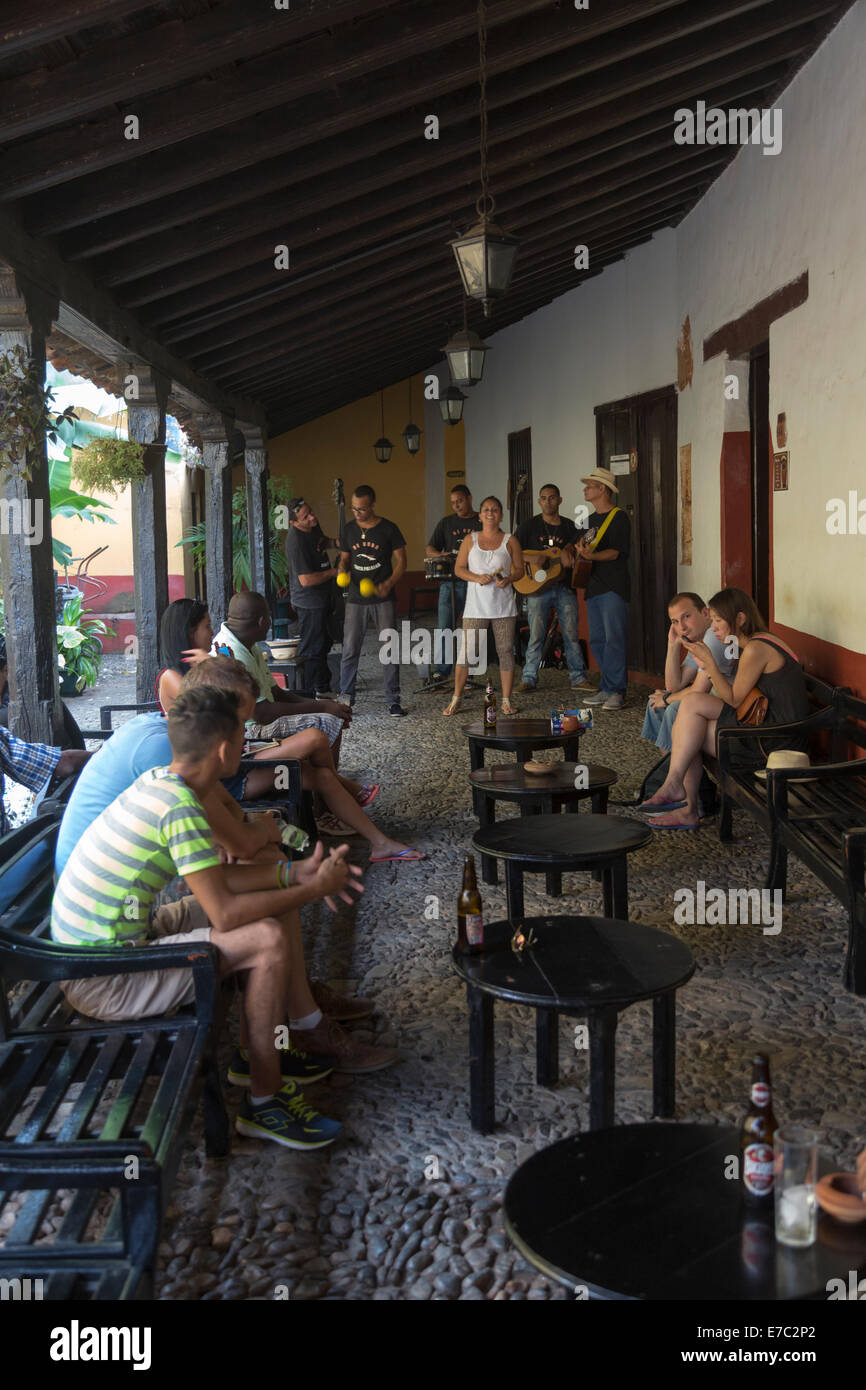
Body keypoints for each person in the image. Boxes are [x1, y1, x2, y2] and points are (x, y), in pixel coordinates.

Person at [50, 685, 385, 1149]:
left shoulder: (164, 782)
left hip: (104, 949)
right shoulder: (180, 807)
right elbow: (224, 911)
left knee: (270, 901)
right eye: (243, 739)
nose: (249, 747)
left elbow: (220, 887)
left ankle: (269, 1050)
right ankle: (265, 1104)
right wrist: (312, 887)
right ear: (226, 750)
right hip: (104, 976)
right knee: (264, 940)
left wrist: (292, 874)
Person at [639, 588, 809, 830]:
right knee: (690, 707)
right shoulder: (759, 640)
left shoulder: (755, 649)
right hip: (765, 726)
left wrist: (709, 663)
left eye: (718, 620)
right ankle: (676, 788)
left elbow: (734, 700)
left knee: (688, 729)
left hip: (771, 743)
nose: (714, 626)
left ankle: (683, 801)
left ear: (739, 619)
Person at [443, 496, 523, 716]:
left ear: (501, 515)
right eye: (486, 509)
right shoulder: (471, 540)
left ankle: (506, 700)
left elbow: (520, 570)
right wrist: (476, 577)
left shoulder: (510, 541)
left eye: (495, 509)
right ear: (479, 515)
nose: (490, 513)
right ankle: (456, 698)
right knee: (467, 653)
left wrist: (508, 579)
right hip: (475, 607)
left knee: (505, 651)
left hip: (503, 607)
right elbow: (459, 569)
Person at [515, 483, 592, 694]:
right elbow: (511, 551)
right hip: (536, 588)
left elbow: (584, 543)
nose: (548, 501)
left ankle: (578, 678)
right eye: (544, 498)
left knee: (571, 633)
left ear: (560, 500)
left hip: (564, 587)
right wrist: (534, 557)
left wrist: (570, 549)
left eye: (552, 497)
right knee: (536, 634)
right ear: (539, 502)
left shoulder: (570, 527)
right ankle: (528, 678)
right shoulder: (528, 527)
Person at [338, 485, 407, 716]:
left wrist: (389, 583)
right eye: (354, 509)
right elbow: (345, 559)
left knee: (389, 648)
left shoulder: (389, 529)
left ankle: (393, 700)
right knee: (349, 648)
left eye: (362, 509)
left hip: (383, 597)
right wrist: (341, 570)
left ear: (373, 505)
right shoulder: (348, 530)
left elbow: (402, 562)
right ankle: (346, 699)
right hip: (356, 599)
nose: (357, 513)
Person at [642, 592, 736, 751]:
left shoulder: (713, 636)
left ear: (705, 613)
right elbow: (674, 686)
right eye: (675, 622)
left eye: (686, 616)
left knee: (672, 708)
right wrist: (672, 645)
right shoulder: (698, 638)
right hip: (711, 700)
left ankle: (677, 771)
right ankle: (673, 767)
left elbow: (698, 690)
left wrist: (666, 699)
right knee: (654, 704)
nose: (682, 627)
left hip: (731, 703)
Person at [576, 468, 631, 711]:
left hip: (613, 586)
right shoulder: (589, 520)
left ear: (602, 489)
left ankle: (617, 691)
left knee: (614, 639)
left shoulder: (618, 517)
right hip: (594, 586)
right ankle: (607, 687)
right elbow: (584, 548)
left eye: (590, 485)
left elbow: (617, 552)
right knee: (598, 639)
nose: (586, 489)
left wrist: (593, 555)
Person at [425, 484, 480, 685]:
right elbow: (430, 548)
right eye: (453, 502)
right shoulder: (446, 523)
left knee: (471, 629)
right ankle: (442, 671)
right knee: (444, 628)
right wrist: (440, 555)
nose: (457, 505)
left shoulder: (481, 520)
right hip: (449, 582)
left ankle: (469, 672)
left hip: (475, 584)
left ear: (469, 498)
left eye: (460, 501)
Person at [285, 497, 339, 697]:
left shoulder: (312, 527)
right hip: (308, 602)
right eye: (305, 517)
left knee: (324, 643)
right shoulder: (295, 542)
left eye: (311, 511)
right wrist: (335, 572)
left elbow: (322, 542)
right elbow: (306, 580)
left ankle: (323, 688)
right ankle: (306, 695)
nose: (312, 517)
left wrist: (337, 542)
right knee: (311, 649)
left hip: (323, 597)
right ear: (293, 522)